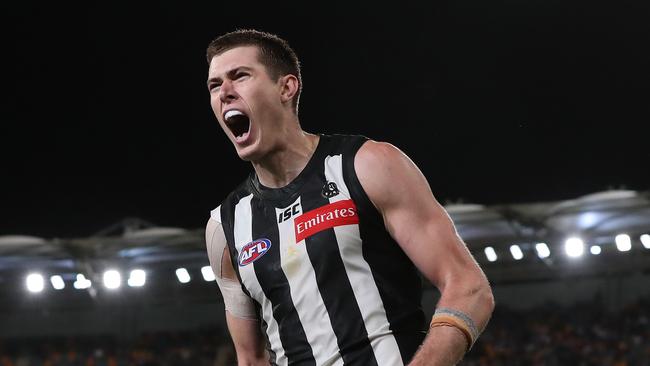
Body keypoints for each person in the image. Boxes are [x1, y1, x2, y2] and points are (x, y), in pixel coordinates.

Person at [204, 29, 494, 366]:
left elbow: (469, 287)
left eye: (239, 76)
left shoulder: (368, 165)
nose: (224, 92)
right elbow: (251, 358)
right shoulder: (224, 228)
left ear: (286, 87)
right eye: (214, 85)